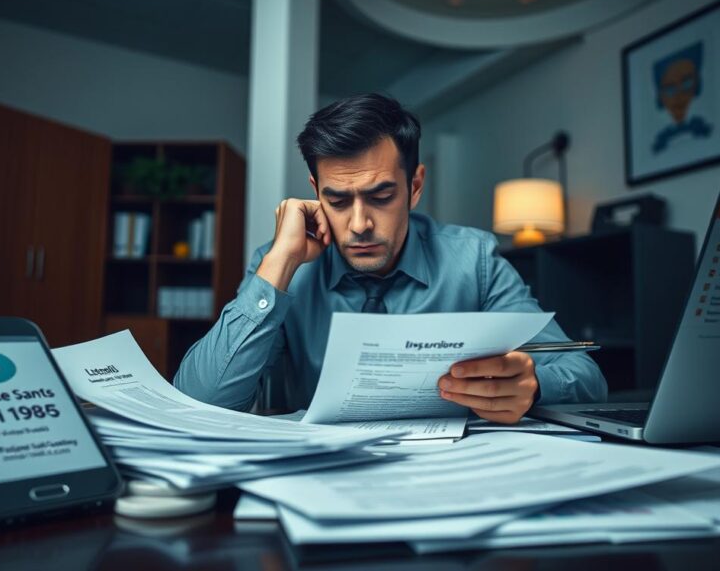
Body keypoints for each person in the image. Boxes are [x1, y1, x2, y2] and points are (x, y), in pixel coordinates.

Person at [174, 93, 606, 424]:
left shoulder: (474, 260)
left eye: (381, 196)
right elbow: (198, 404)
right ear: (315, 190)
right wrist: (280, 261)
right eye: (338, 200)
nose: (359, 223)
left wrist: (531, 386)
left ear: (415, 186)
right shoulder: (280, 268)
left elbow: (585, 375)